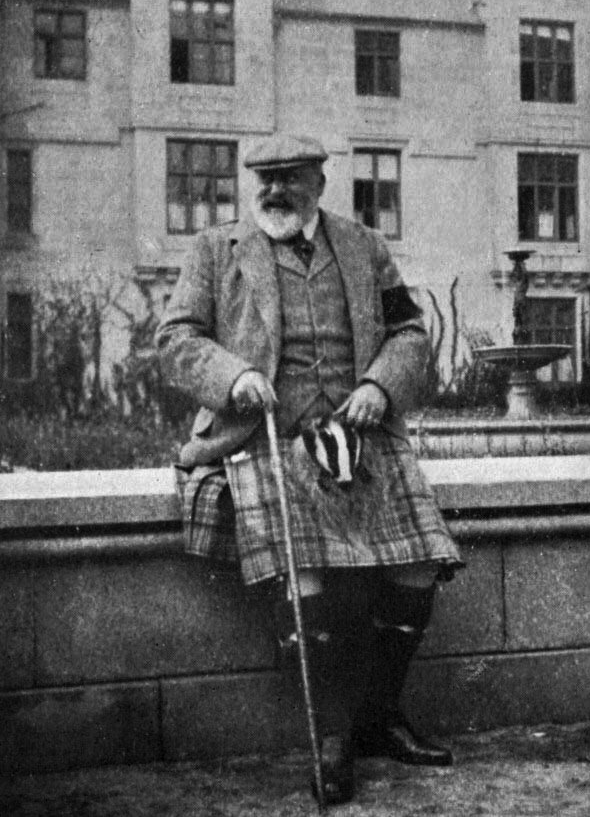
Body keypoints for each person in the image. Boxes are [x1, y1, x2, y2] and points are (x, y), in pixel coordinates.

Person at [158, 133, 463, 805]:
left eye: (290, 178)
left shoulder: (364, 247)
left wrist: (380, 385)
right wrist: (233, 376)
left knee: (421, 562)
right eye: (264, 179)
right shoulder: (216, 250)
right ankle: (332, 737)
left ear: (319, 184)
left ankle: (380, 716)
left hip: (359, 438)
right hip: (263, 439)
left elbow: (410, 333)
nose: (274, 191)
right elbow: (176, 339)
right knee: (305, 580)